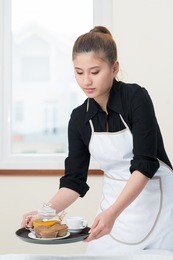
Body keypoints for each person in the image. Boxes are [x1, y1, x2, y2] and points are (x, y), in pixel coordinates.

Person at [21, 26, 173, 254]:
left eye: (94, 71)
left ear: (114, 68)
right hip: (113, 210)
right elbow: (74, 182)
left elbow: (145, 164)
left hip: (157, 203)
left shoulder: (135, 98)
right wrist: (46, 212)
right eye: (79, 72)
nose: (86, 81)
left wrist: (113, 212)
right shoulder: (79, 118)